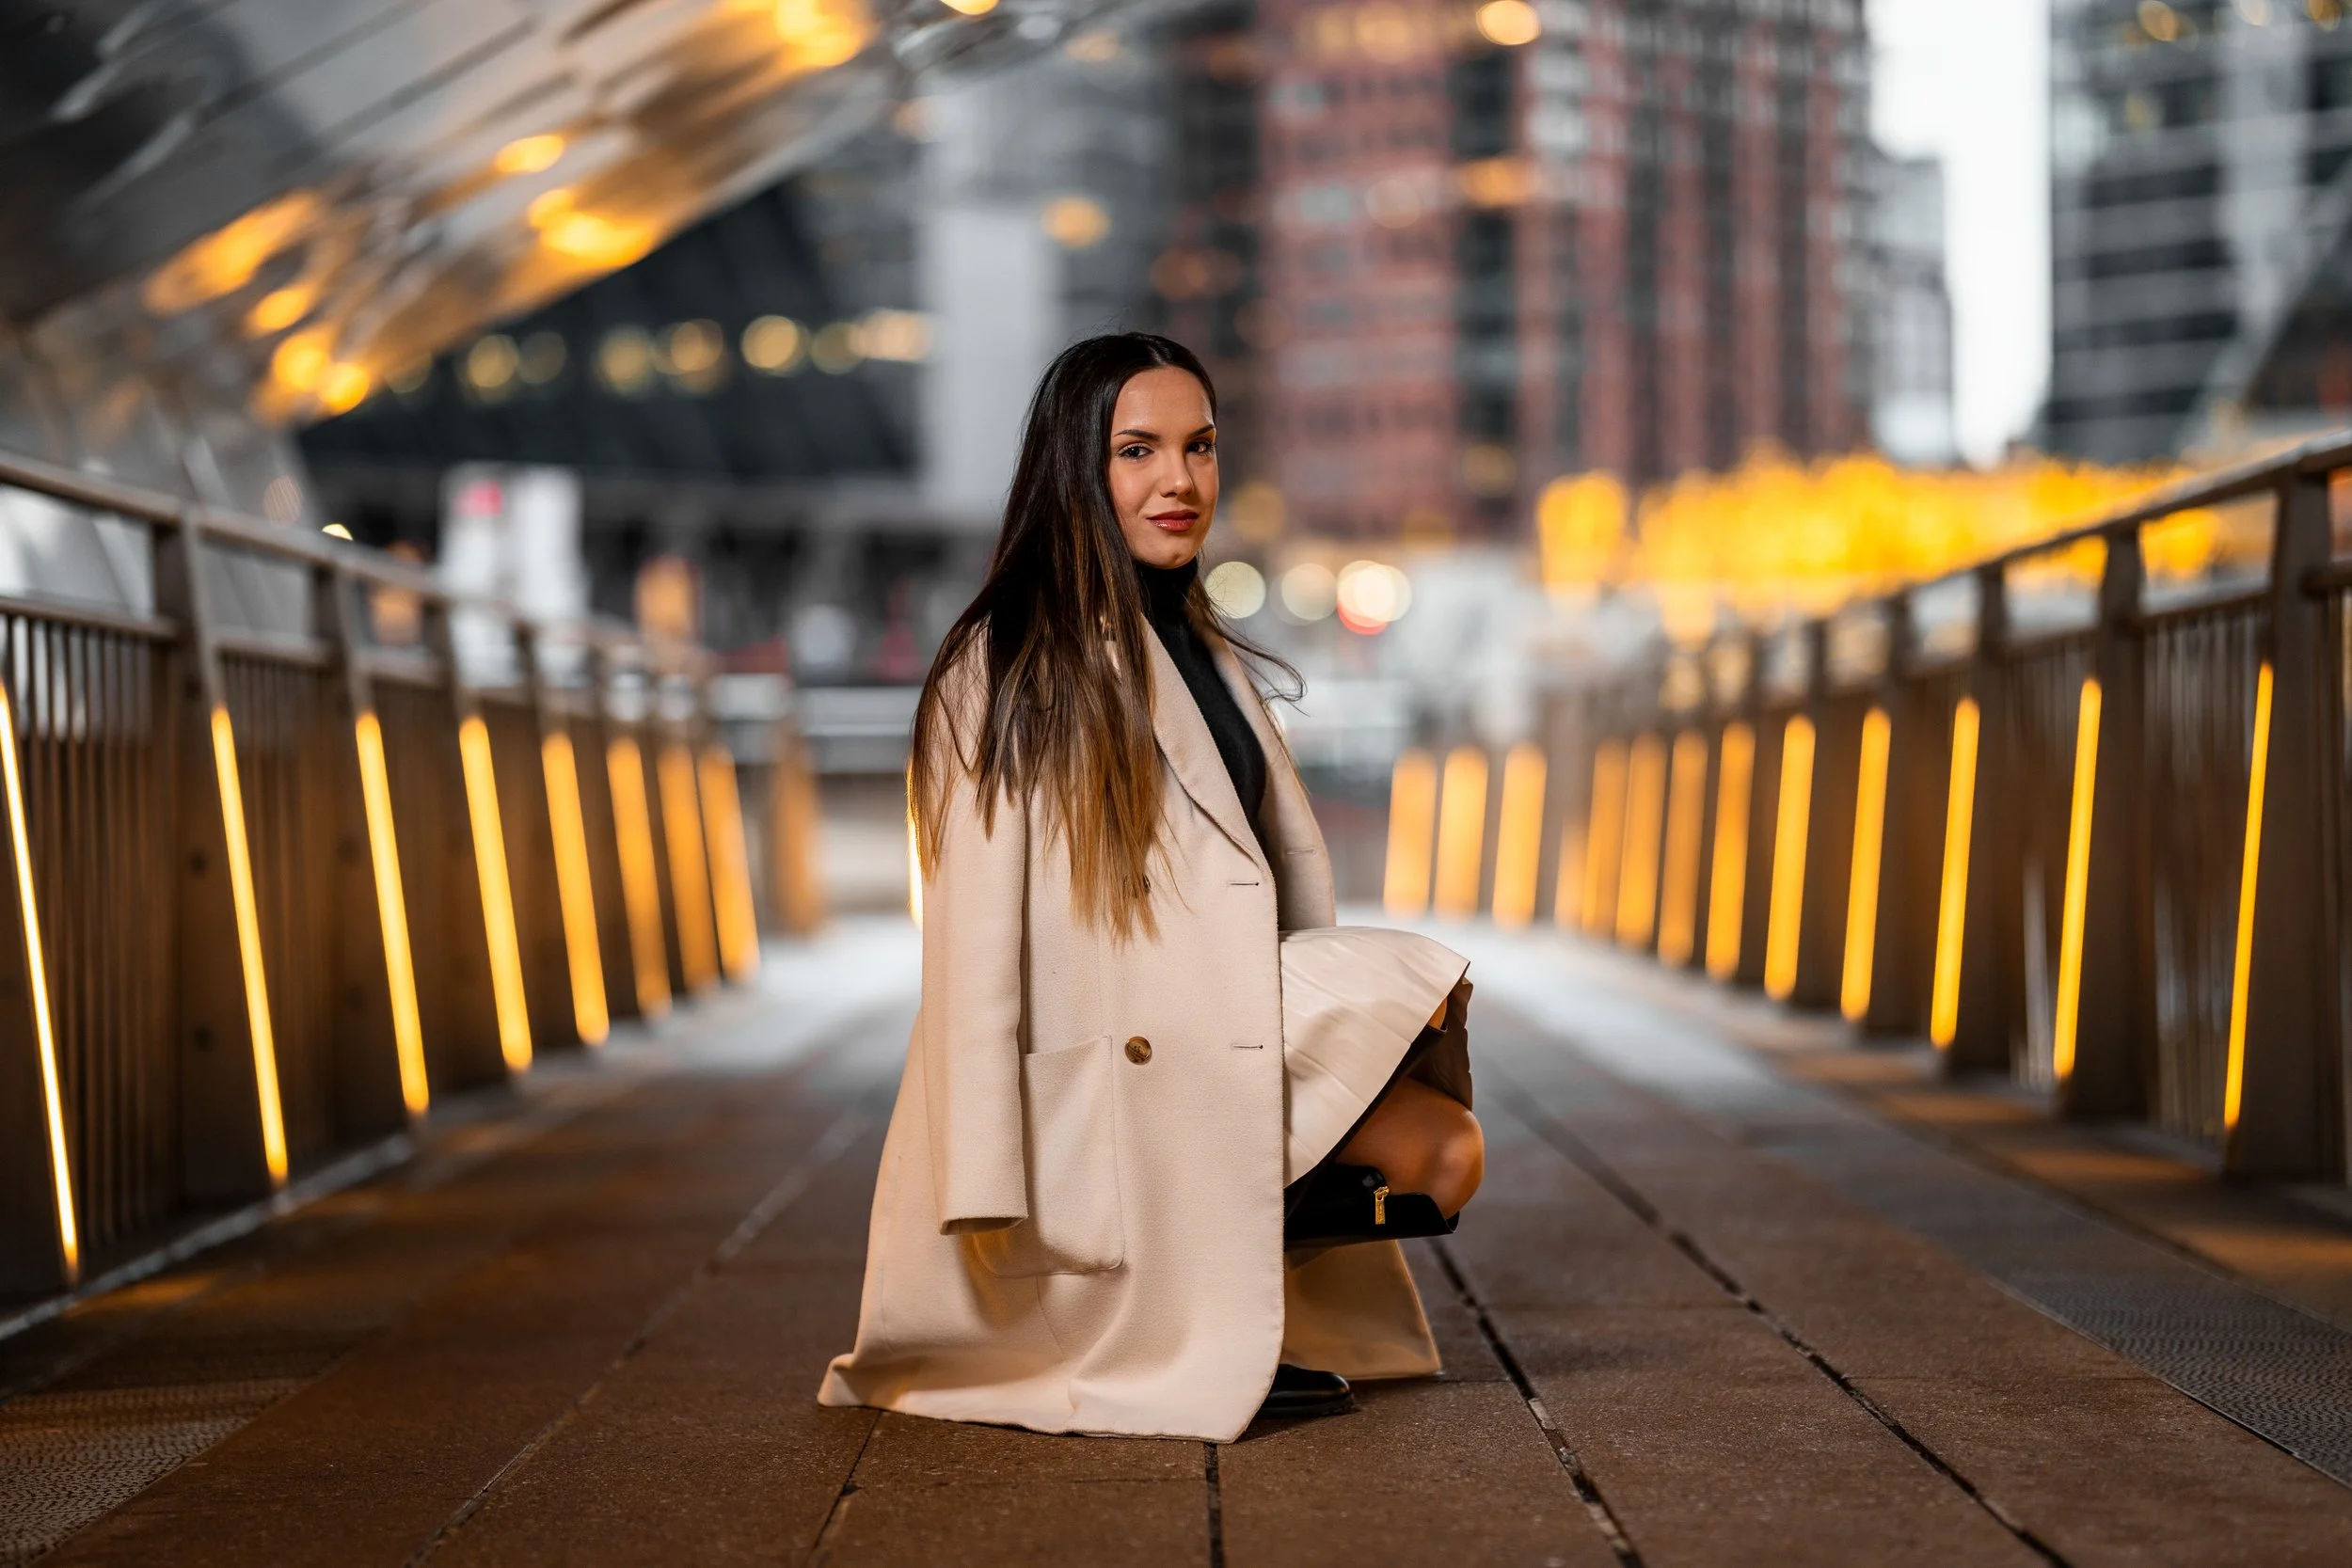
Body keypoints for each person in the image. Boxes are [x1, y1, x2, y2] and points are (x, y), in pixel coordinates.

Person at [818, 333, 1484, 1442]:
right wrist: (985, 1179)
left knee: (1445, 1147)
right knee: (1433, 1125)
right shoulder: (1008, 662)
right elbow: (972, 945)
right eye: (1138, 450)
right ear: (1075, 467)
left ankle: (1224, 1301)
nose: (1178, 481)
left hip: (1222, 1019)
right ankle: (1183, 1321)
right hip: (1127, 1062)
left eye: (1200, 447)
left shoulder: (1196, 641)